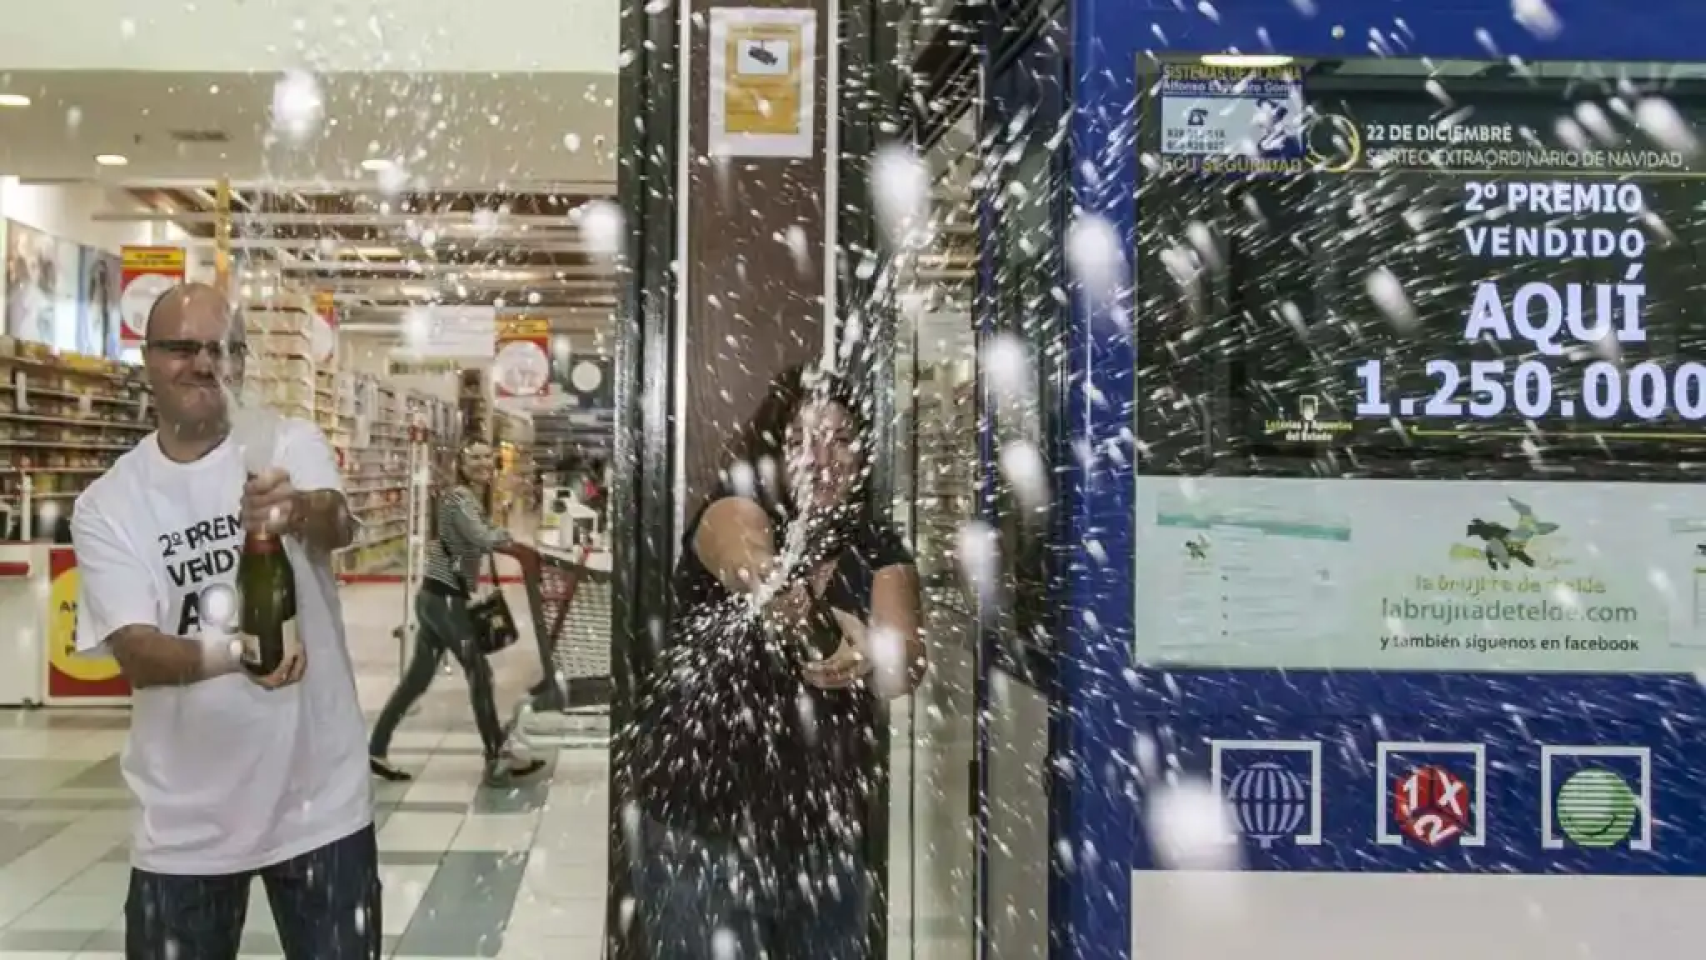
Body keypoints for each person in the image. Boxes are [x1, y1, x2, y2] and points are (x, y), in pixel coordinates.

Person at [70, 283, 377, 959]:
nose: (204, 364)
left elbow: (340, 523)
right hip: (184, 825)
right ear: (147, 359)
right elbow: (139, 655)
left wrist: (296, 510)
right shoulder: (109, 504)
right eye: (182, 348)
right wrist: (242, 652)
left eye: (223, 349)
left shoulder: (286, 442)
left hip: (319, 805)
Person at [624, 364, 928, 960]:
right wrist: (796, 605)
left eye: (840, 438)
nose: (822, 458)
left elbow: (906, 668)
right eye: (799, 441)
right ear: (771, 452)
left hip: (825, 839)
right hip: (702, 832)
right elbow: (751, 564)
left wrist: (876, 652)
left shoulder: (878, 544)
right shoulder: (733, 506)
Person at [368, 441, 546, 787]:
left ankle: (376, 747)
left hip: (436, 597)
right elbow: (480, 538)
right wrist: (514, 542)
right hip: (445, 600)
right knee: (480, 673)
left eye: (485, 456)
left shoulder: (468, 497)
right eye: (473, 456)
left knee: (416, 681)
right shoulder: (458, 498)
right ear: (461, 463)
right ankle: (496, 756)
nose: (481, 462)